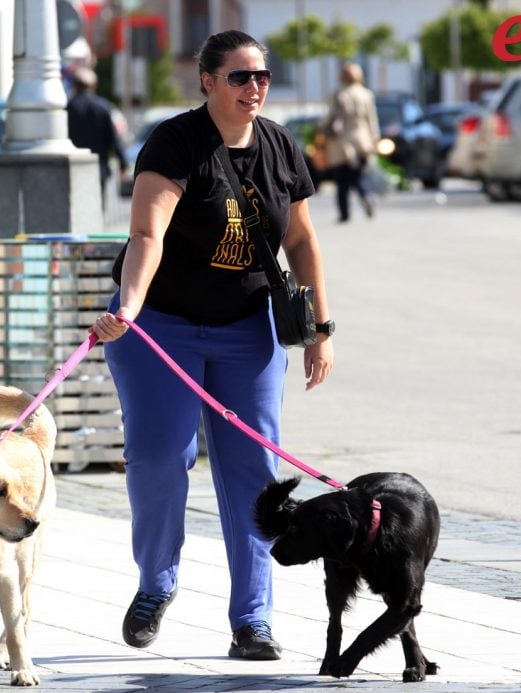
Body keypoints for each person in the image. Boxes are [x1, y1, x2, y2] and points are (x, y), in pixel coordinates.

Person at [89, 30, 334, 661]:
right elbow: (147, 234)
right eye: (239, 77)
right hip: (159, 324)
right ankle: (156, 584)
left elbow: (302, 242)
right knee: (158, 458)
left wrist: (320, 330)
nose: (254, 88)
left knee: (256, 475)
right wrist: (132, 305)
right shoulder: (176, 142)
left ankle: (252, 619)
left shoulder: (280, 147)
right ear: (207, 80)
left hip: (246, 327)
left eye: (262, 77)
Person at [322, 62, 380, 223]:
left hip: (342, 142)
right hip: (362, 140)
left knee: (342, 181)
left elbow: (329, 118)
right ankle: (367, 196)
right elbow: (372, 120)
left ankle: (344, 213)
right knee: (359, 175)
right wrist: (374, 140)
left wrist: (320, 128)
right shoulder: (366, 94)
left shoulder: (339, 94)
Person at [66, 66, 127, 208]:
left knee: (77, 207)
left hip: (73, 168)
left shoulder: (68, 107)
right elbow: (113, 138)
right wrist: (122, 163)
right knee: (97, 208)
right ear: (93, 86)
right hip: (99, 167)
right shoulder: (103, 107)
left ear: (75, 85)